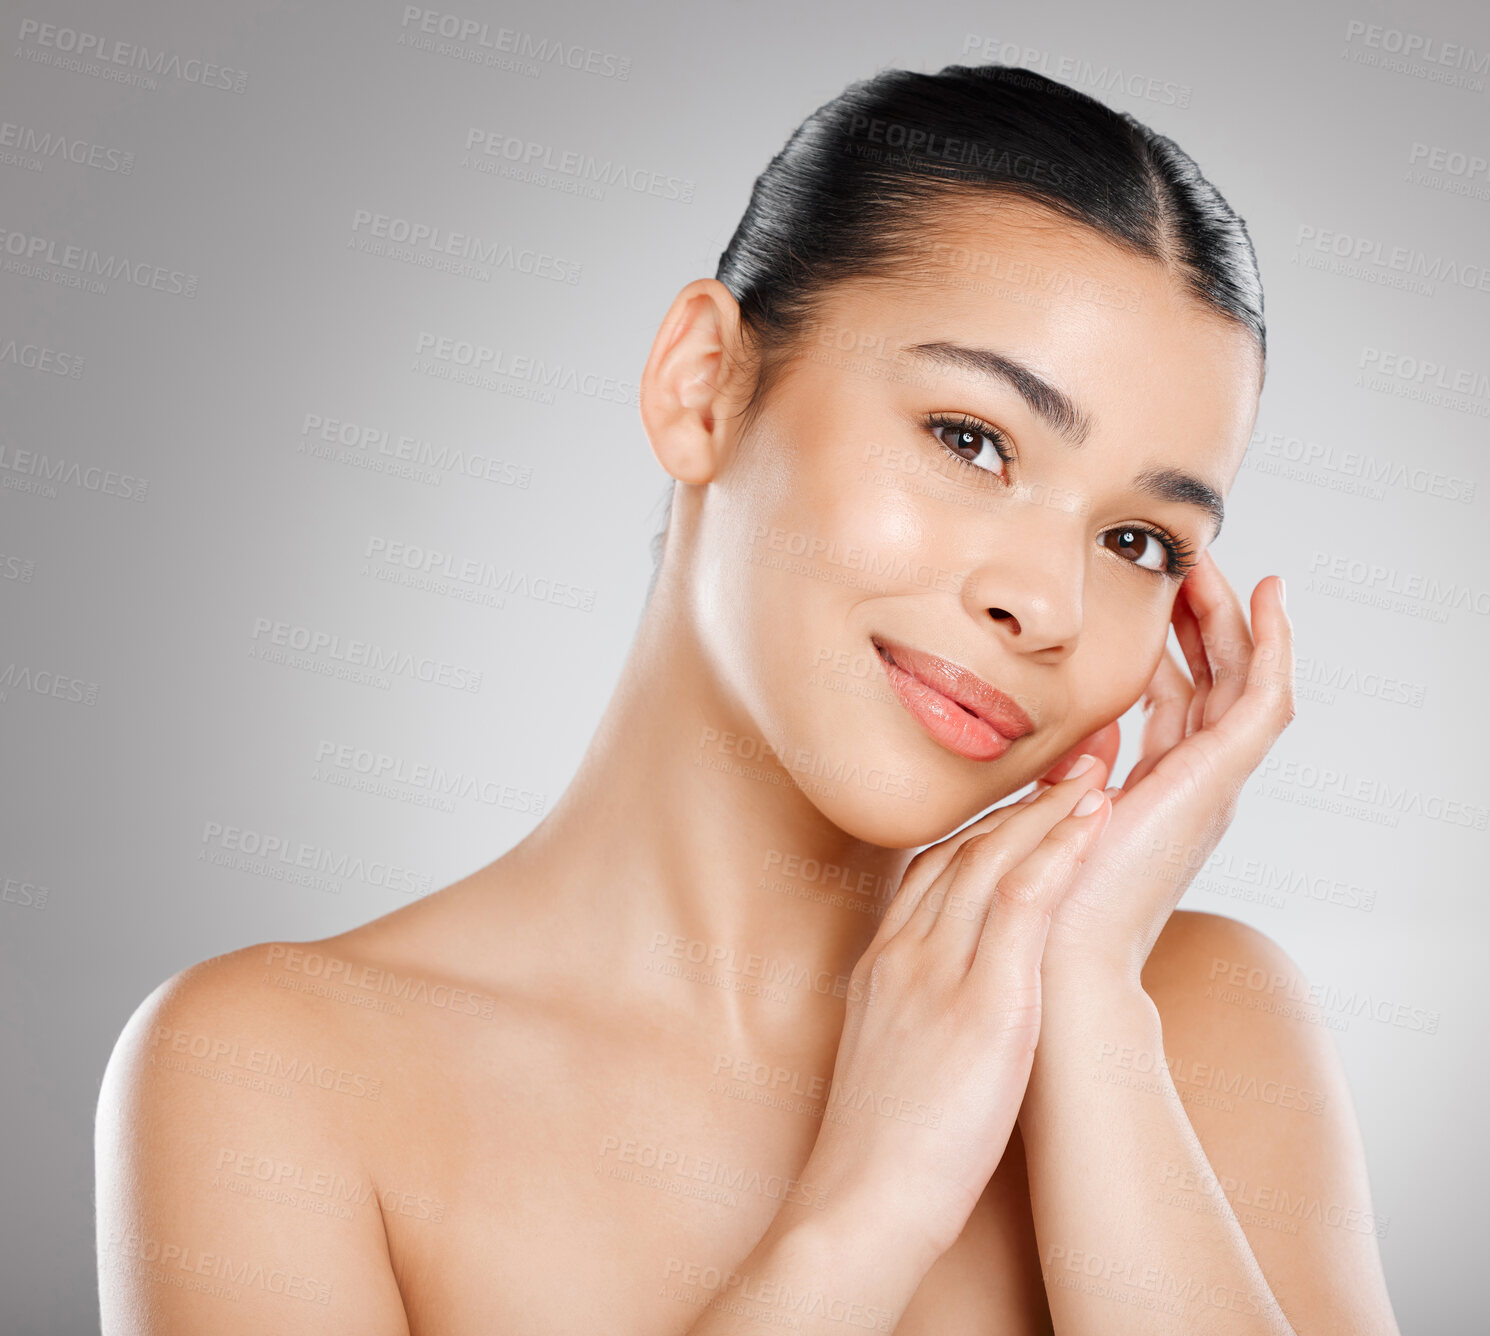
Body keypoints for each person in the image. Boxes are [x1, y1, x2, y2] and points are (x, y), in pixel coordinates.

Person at [95, 64, 1401, 1334]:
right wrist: (866, 1208)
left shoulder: (1198, 1024)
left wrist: (1089, 1014)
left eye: (1136, 542)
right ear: (701, 384)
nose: (1047, 606)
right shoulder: (274, 1072)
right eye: (971, 440)